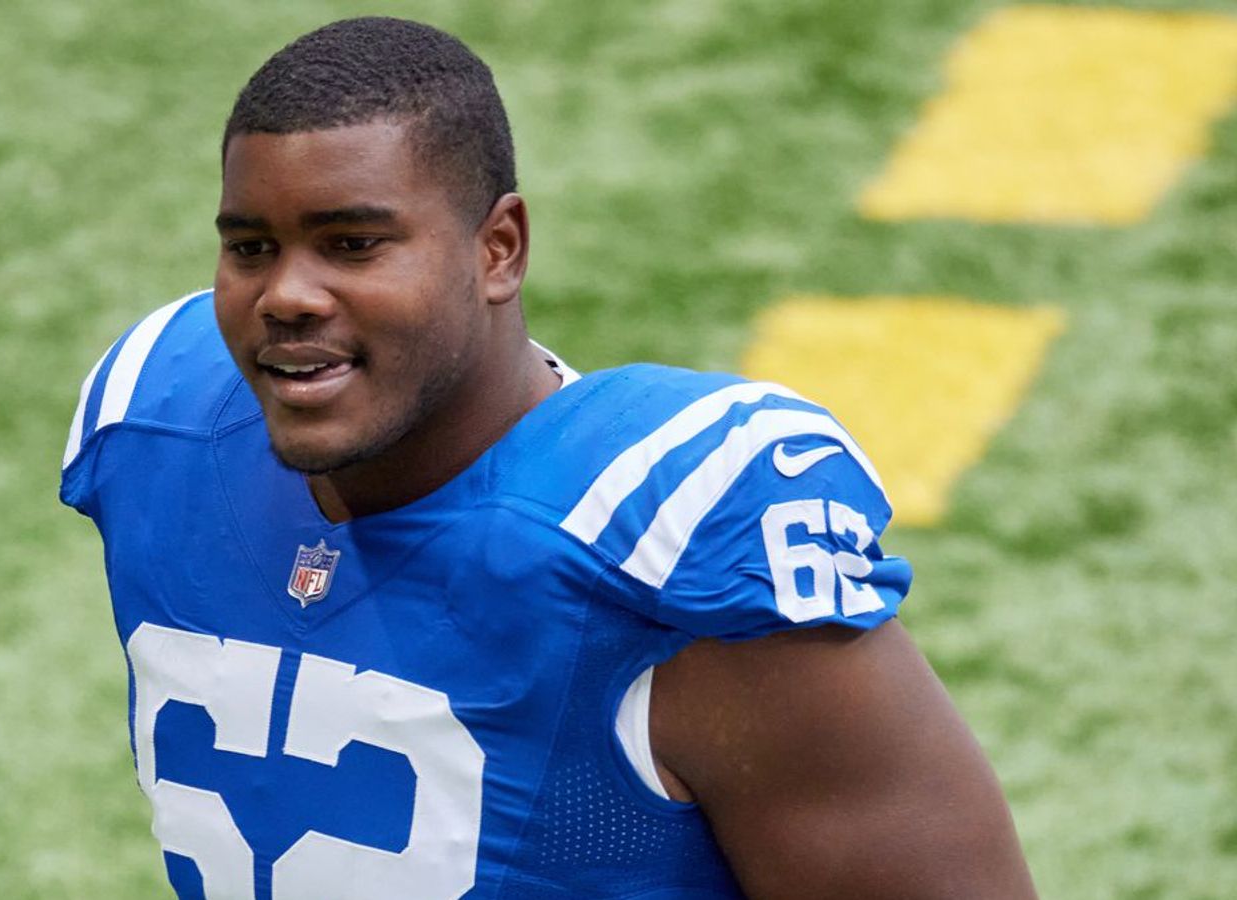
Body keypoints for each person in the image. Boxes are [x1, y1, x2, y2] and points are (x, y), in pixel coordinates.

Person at [60, 16, 1035, 899]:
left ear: (498, 249)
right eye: (250, 248)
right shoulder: (157, 420)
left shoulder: (664, 550)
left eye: (353, 244)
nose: (286, 295)